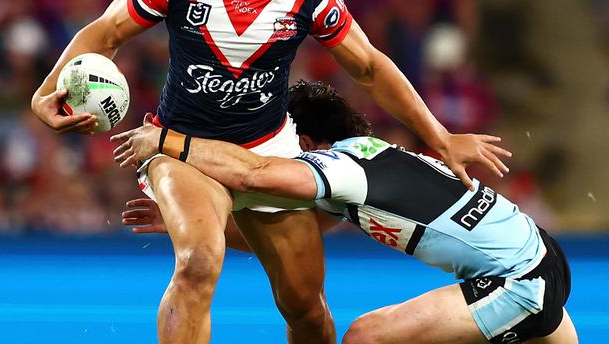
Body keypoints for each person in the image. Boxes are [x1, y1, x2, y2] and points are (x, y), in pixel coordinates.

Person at [31, 0, 511, 343]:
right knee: (199, 262)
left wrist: (441, 138)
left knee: (306, 308)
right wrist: (45, 95)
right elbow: (105, 33)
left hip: (268, 153)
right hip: (180, 149)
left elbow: (368, 66)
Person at [113, 80, 577, 344]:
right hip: (541, 257)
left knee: (363, 338)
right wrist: (198, 218)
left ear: (306, 143)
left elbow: (253, 175)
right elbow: (305, 221)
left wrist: (166, 141)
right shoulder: (369, 157)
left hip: (518, 283)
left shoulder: (339, 167)